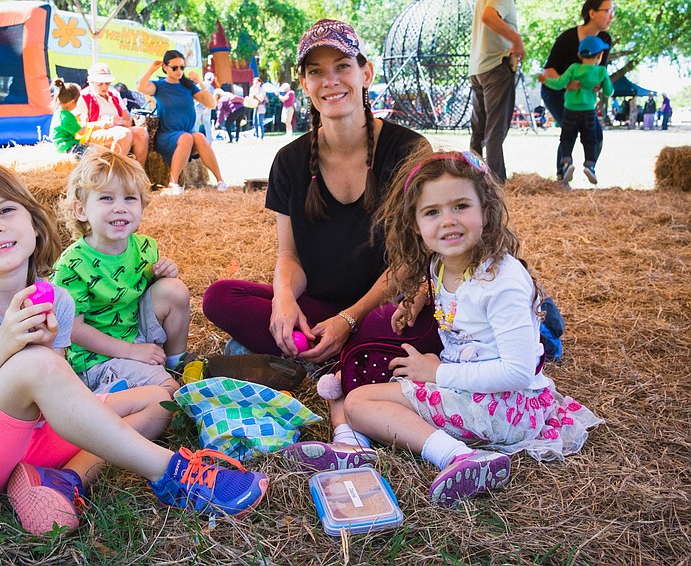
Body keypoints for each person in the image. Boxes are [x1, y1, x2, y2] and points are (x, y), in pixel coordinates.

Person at [0, 161, 269, 536]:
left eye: (6, 209)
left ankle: (63, 478)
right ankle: (171, 472)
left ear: (33, 222)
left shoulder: (55, 299)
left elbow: (49, 405)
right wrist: (4, 347)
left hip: (28, 440)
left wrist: (44, 363)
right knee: (36, 365)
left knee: (160, 401)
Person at [202, 19, 435, 465]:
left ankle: (315, 360)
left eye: (341, 66)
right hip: (320, 311)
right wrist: (284, 300)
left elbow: (413, 259)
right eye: (315, 71)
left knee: (404, 327)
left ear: (365, 74)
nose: (330, 81)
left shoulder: (408, 149)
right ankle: (336, 360)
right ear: (304, 83)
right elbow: (289, 255)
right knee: (219, 297)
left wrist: (350, 318)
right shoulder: (290, 159)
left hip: (383, 310)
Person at [340, 150, 603, 506]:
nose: (447, 220)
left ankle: (457, 457)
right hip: (476, 389)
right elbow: (453, 295)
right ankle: (351, 445)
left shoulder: (503, 280)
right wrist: (417, 297)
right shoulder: (440, 264)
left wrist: (436, 373)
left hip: (505, 405)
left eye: (460, 206)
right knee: (365, 385)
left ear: (486, 211)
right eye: (432, 212)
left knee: (358, 403)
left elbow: (517, 371)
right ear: (415, 225)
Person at [52, 149, 191, 395]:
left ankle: (177, 365)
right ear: (81, 210)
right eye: (107, 198)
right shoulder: (72, 264)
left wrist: (164, 275)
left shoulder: (146, 247)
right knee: (169, 393)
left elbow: (151, 296)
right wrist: (130, 352)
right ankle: (104, 395)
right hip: (97, 358)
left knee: (175, 290)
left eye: (130, 198)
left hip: (135, 335)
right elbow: (73, 329)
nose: (120, 208)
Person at [540, 0, 614, 184]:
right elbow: (547, 71)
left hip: (582, 97)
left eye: (613, 11)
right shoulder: (567, 39)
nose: (612, 15)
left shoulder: (605, 40)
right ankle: (562, 177)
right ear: (592, 13)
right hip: (556, 91)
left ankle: (589, 166)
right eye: (608, 11)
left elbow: (599, 73)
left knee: (596, 134)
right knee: (569, 130)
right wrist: (567, 85)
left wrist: (596, 86)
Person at [137, 50, 228, 195]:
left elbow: (211, 104)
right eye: (175, 67)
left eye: (182, 67)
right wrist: (151, 69)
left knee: (199, 136)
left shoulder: (188, 86)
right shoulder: (159, 86)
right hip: (167, 135)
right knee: (188, 137)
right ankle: (173, 184)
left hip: (186, 134)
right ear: (165, 67)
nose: (179, 71)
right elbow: (141, 87)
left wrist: (199, 83)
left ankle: (220, 181)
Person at [468, 0, 524, 184]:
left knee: (479, 130)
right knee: (495, 130)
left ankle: (472, 176)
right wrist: (516, 39)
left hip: (477, 68)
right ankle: (496, 182)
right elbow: (488, 16)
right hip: (495, 67)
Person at [74, 62, 149, 166]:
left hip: (117, 130)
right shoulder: (83, 97)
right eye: (100, 83)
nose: (104, 87)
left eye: (107, 83)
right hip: (94, 133)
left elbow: (128, 121)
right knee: (124, 134)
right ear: (91, 82)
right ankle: (115, 175)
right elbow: (79, 128)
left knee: (142, 133)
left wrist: (119, 122)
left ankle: (139, 175)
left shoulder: (114, 94)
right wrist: (102, 124)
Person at [49, 79, 91, 157]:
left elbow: (65, 124)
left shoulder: (58, 113)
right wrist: (84, 121)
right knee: (93, 153)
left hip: (58, 145)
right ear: (72, 102)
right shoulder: (68, 117)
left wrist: (75, 118)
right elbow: (81, 132)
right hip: (67, 147)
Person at [193, 72, 216, 144]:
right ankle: (209, 140)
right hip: (207, 108)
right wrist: (207, 108)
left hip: (197, 107)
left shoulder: (198, 85)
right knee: (207, 124)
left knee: (196, 124)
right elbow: (212, 99)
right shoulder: (211, 88)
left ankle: (195, 140)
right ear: (212, 79)